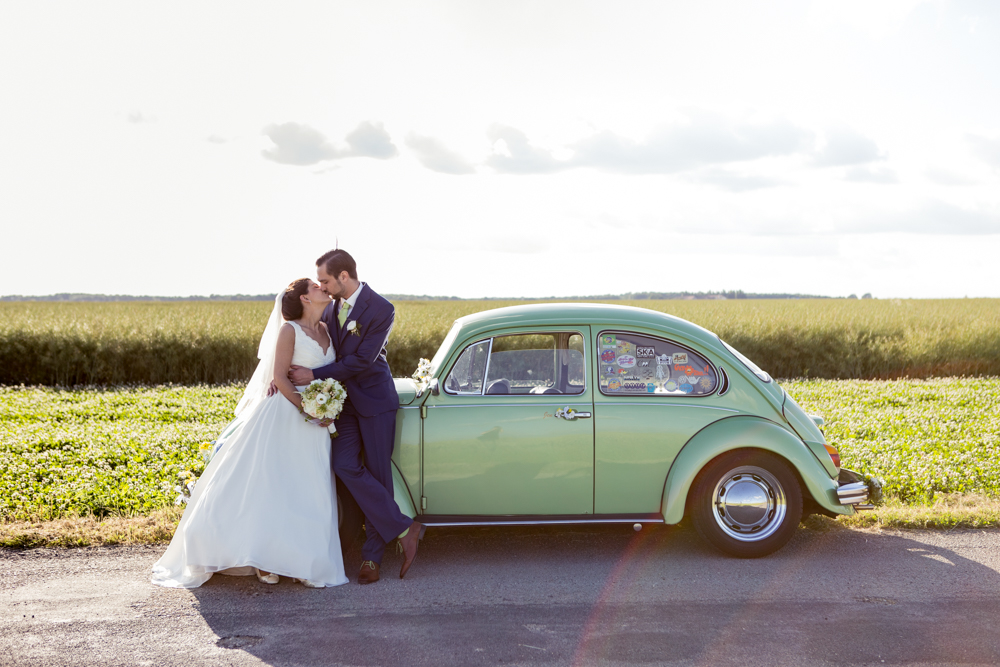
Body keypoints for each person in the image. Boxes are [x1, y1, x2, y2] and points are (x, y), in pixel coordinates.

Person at [151, 279, 348, 589]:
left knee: (306, 489)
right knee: (272, 486)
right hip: (285, 416)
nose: (322, 286)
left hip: (316, 426)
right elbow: (279, 378)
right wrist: (307, 408)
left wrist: (326, 408)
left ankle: (301, 561)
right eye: (314, 285)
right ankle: (261, 559)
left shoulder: (326, 328)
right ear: (304, 299)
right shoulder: (289, 331)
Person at [288, 249, 424, 585]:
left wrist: (313, 375)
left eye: (325, 280)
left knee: (379, 476)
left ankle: (372, 559)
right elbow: (309, 342)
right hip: (344, 404)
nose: (322, 285)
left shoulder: (382, 309)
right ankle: (404, 526)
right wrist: (280, 380)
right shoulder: (330, 307)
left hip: (376, 401)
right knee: (344, 464)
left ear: (343, 277)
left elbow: (362, 361)